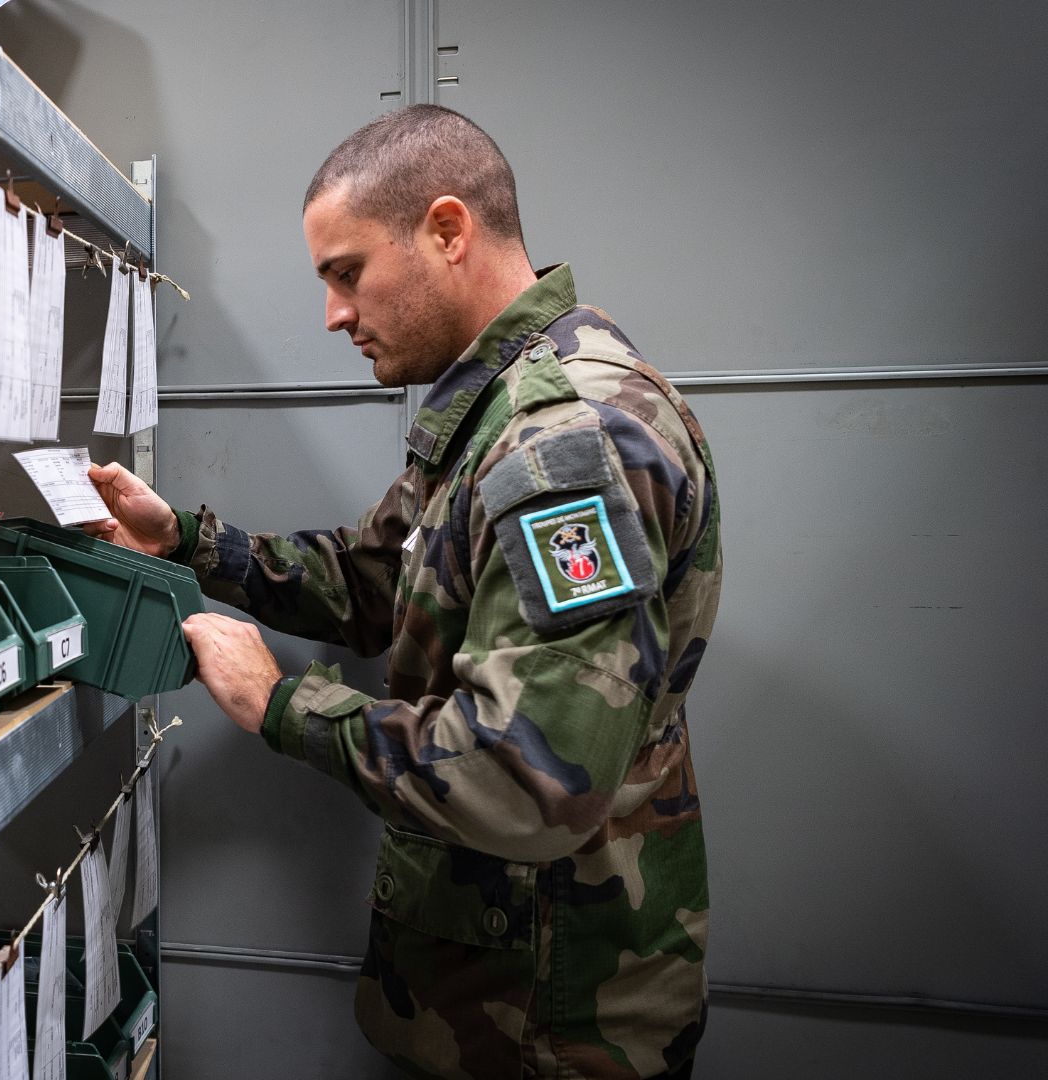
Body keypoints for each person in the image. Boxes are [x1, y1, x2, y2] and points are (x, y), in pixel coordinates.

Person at [85, 105, 722, 1080]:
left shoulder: (563, 448)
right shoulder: (496, 407)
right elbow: (376, 582)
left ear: (448, 230)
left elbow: (529, 777)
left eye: (347, 273)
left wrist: (284, 705)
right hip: (487, 992)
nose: (333, 314)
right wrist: (188, 542)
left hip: (551, 1026)